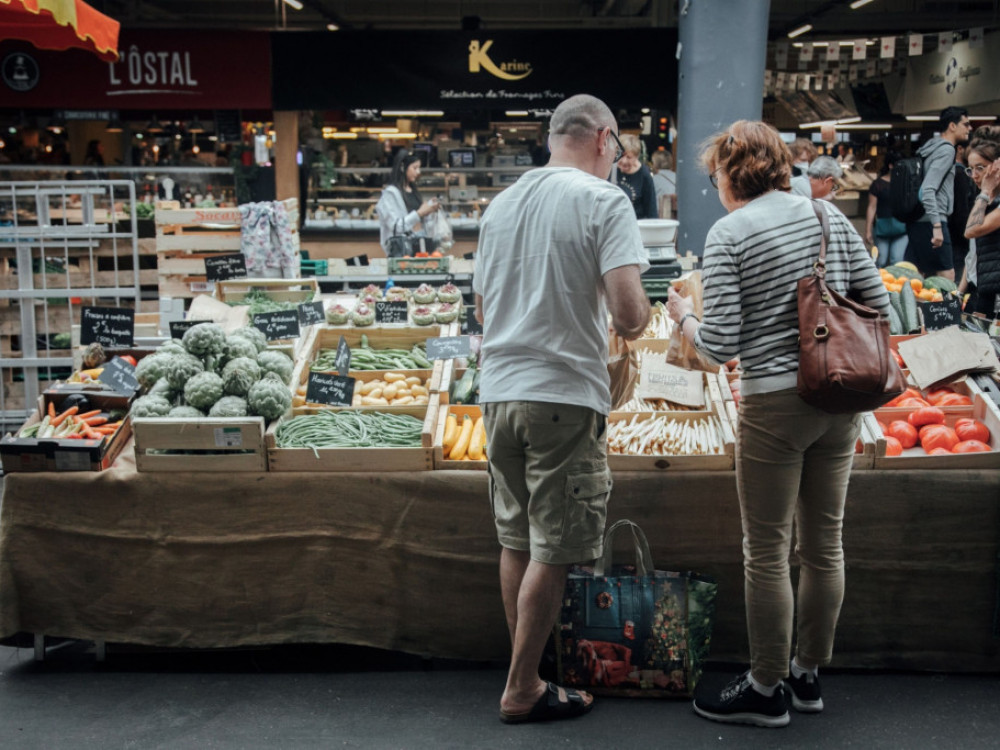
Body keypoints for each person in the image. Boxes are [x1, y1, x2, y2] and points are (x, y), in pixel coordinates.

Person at [665, 120, 888, 729]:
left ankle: (765, 687)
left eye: (715, 177)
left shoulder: (730, 232)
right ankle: (807, 676)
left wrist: (685, 317)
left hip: (773, 404)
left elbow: (719, 347)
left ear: (733, 173)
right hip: (839, 400)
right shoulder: (826, 217)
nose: (715, 189)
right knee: (824, 544)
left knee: (766, 551)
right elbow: (881, 305)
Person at [473, 93, 650, 725]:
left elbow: (483, 314)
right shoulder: (605, 201)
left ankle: (532, 671)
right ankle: (523, 687)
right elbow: (629, 315)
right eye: (619, 149)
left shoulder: (501, 205)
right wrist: (645, 312)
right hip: (563, 393)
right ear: (605, 139)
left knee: (517, 537)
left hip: (497, 393)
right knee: (557, 545)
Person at [904, 106, 973, 281]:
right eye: (966, 124)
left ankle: (913, 308)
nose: (969, 128)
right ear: (952, 126)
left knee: (914, 274)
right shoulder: (946, 150)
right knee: (947, 274)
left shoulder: (929, 148)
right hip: (933, 219)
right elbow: (927, 189)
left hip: (918, 219)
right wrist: (937, 226)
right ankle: (946, 309)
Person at [961, 129, 1000, 318]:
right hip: (986, 291)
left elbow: (971, 230)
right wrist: (961, 291)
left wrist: (984, 191)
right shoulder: (986, 202)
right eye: (970, 169)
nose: (974, 175)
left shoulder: (985, 200)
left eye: (980, 168)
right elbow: (973, 252)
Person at [375, 149, 441, 257]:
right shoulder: (390, 194)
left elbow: (421, 224)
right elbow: (396, 227)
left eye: (419, 168)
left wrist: (429, 210)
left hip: (419, 251)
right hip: (400, 253)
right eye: (415, 168)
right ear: (402, 167)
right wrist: (419, 213)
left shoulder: (414, 191)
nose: (418, 172)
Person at [864, 151, 909, 268]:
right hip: (882, 228)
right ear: (890, 165)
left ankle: (895, 285)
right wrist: (868, 230)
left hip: (902, 229)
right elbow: (871, 207)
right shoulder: (877, 184)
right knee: (881, 260)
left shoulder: (906, 184)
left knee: (898, 261)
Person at [613, 134, 657, 219]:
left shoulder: (644, 175)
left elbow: (651, 210)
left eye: (629, 157)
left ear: (636, 157)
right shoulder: (609, 168)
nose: (624, 161)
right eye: (621, 156)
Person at [949, 143, 977, 280]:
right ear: (960, 149)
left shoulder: (956, 172)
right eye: (972, 169)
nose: (975, 174)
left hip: (956, 235)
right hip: (960, 238)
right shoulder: (960, 174)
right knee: (960, 274)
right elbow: (961, 210)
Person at [650, 150, 677, 218]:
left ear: (655, 164)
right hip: (676, 215)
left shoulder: (653, 180)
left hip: (659, 216)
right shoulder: (678, 177)